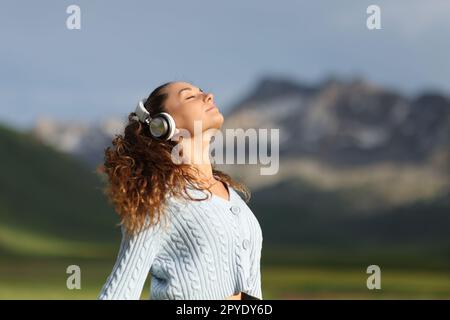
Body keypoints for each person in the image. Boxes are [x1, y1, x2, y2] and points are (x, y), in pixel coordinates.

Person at [97, 81, 263, 300]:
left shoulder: (233, 197)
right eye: (189, 96)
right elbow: (117, 294)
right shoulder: (159, 200)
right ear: (162, 125)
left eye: (202, 92)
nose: (209, 96)